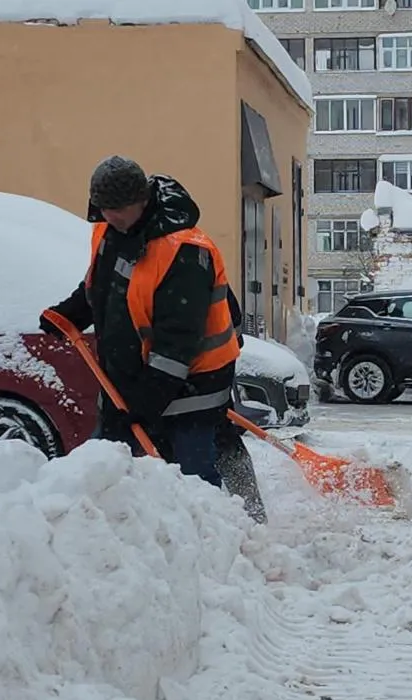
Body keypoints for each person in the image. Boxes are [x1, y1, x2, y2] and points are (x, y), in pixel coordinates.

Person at [40, 155, 264, 521]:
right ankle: (102, 541)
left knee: (194, 473)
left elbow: (177, 341)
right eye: (104, 208)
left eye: (118, 209)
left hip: (193, 382)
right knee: (103, 471)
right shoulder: (110, 232)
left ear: (143, 201)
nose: (109, 216)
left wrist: (145, 402)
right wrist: (70, 313)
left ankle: (228, 532)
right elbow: (101, 288)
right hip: (128, 379)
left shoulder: (184, 251)